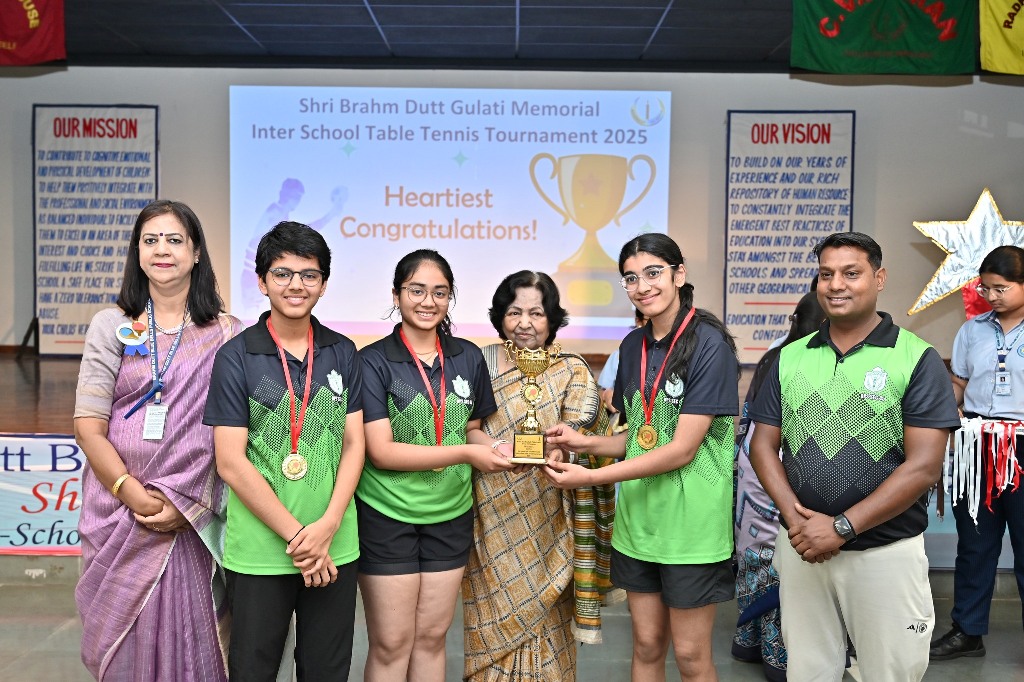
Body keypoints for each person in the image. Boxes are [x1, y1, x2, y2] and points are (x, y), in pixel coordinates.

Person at [748, 231, 960, 681]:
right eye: (826, 274)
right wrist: (798, 522)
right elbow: (762, 445)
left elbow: (923, 467)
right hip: (804, 550)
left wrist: (841, 527)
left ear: (879, 278)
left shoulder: (915, 358)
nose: (836, 284)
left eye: (851, 273)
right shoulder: (790, 357)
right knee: (808, 670)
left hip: (884, 553)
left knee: (890, 672)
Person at [544, 233, 739, 681]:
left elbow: (681, 449)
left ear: (679, 274)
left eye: (653, 273)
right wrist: (583, 443)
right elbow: (640, 439)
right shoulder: (633, 346)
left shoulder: (709, 344)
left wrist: (590, 478)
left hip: (691, 529)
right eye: (630, 278)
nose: (642, 286)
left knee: (690, 657)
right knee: (647, 645)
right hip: (639, 523)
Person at [74, 200, 242, 680]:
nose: (162, 250)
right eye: (150, 240)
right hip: (118, 512)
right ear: (137, 252)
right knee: (124, 646)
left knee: (198, 640)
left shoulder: (227, 333)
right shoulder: (111, 325)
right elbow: (88, 425)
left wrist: (187, 505)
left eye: (174, 240)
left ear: (196, 252)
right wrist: (129, 491)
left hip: (193, 514)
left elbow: (235, 432)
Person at [204, 221, 364, 680]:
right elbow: (230, 463)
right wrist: (301, 539)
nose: (296, 284)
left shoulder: (342, 351)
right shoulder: (236, 356)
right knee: (253, 671)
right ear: (262, 282)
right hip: (260, 550)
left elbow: (354, 444)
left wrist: (327, 526)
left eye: (309, 274)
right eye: (282, 273)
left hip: (335, 545)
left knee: (326, 671)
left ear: (323, 284)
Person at [357, 249, 514, 680]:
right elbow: (382, 451)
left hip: (451, 514)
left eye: (440, 293)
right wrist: (467, 453)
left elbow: (471, 429)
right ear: (396, 295)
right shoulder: (372, 361)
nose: (428, 301)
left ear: (450, 298)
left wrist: (498, 448)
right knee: (391, 643)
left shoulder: (467, 357)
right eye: (417, 290)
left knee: (431, 638)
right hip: (387, 516)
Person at [463, 270, 621, 680]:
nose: (525, 323)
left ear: (552, 318)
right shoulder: (478, 362)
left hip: (551, 510)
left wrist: (561, 446)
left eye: (536, 313)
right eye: (514, 312)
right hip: (491, 512)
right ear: (500, 316)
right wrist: (496, 449)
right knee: (491, 613)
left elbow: (585, 430)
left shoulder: (572, 368)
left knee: (547, 617)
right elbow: (468, 429)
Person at [930, 244, 1024, 660]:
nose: (992, 296)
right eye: (986, 288)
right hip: (977, 445)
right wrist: (942, 411)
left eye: (1001, 288)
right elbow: (961, 384)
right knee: (975, 542)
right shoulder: (973, 329)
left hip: (1022, 446)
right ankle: (967, 631)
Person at [732, 291, 824, 681]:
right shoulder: (810, 361)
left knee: (755, 562)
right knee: (785, 568)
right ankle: (779, 658)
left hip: (751, 476)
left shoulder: (773, 355)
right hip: (781, 474)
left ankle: (748, 641)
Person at [598, 307, 646, 416]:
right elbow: (601, 390)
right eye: (650, 319)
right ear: (638, 321)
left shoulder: (676, 354)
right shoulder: (620, 355)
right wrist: (607, 394)